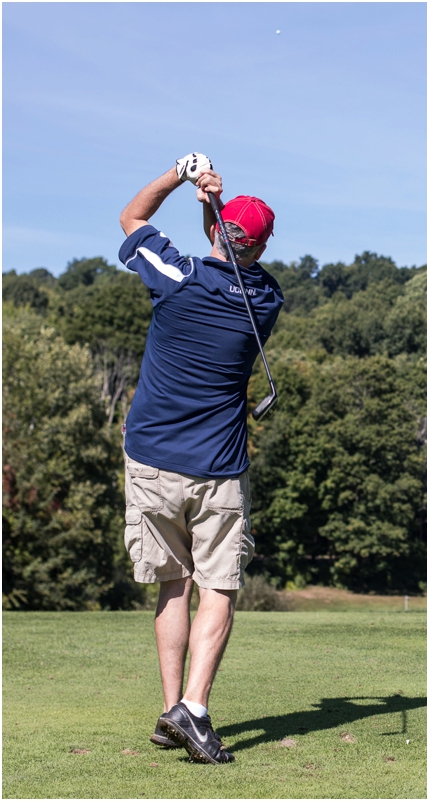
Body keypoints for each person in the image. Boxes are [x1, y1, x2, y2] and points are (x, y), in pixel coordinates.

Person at [117, 154, 284, 764]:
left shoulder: (175, 275)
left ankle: (175, 709)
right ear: (261, 249)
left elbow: (132, 216)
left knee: (173, 585)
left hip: (152, 459)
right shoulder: (265, 301)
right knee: (218, 583)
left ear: (213, 230)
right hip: (218, 470)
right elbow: (234, 252)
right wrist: (217, 203)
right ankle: (192, 709)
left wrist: (179, 177)